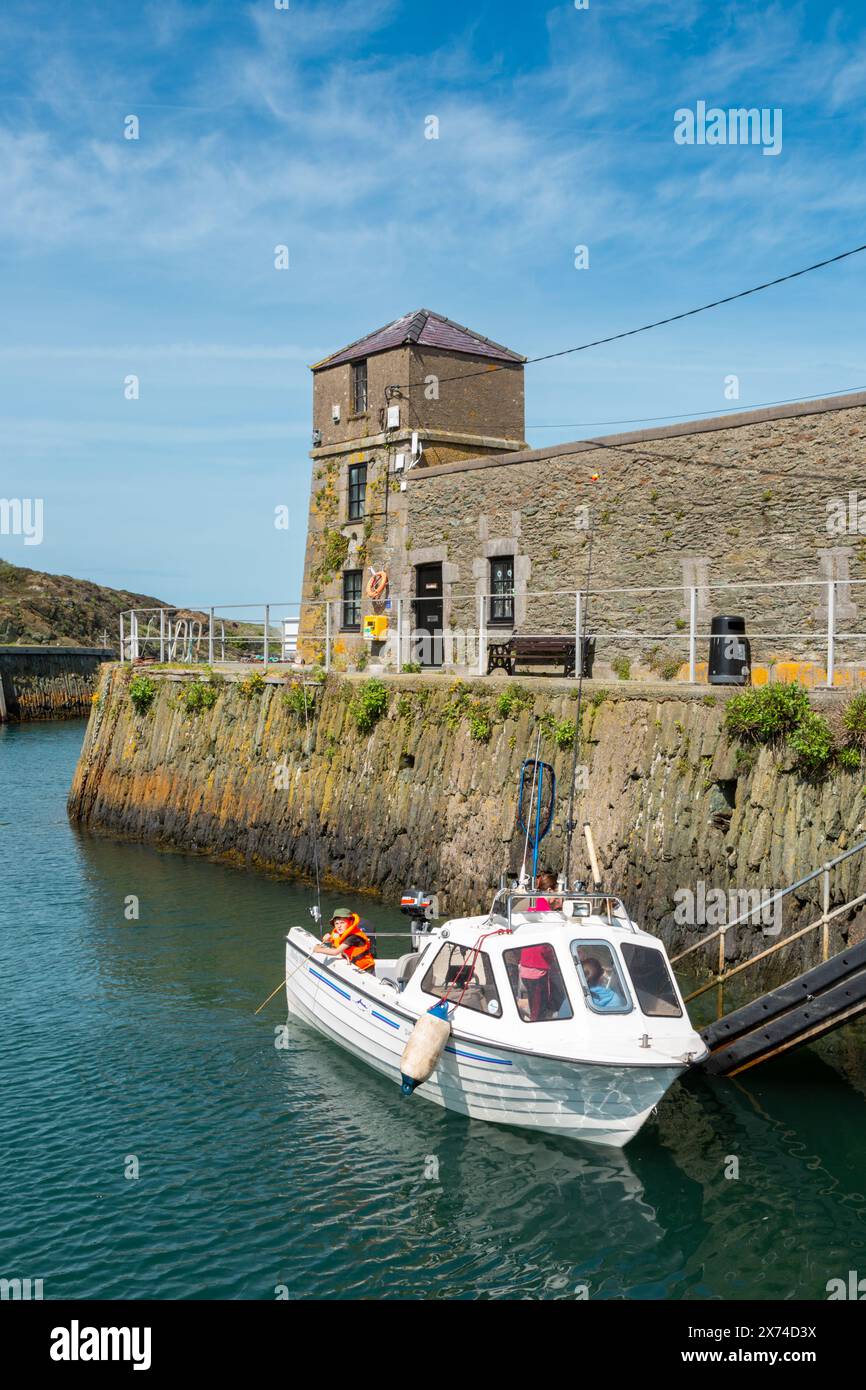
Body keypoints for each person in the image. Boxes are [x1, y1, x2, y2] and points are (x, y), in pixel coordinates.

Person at [313, 908, 375, 973]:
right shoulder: (341, 933)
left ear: (350, 922)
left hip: (366, 970)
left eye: (342, 923)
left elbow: (335, 952)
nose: (339, 926)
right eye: (336, 923)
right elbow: (335, 940)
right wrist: (327, 939)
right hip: (354, 967)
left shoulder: (353, 937)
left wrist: (318, 950)